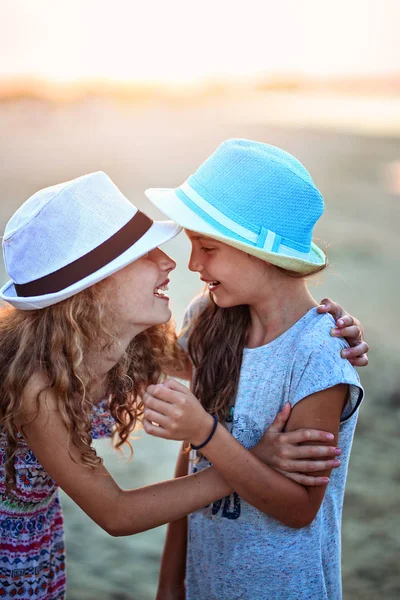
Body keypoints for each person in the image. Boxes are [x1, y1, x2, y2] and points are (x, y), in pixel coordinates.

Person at [0, 171, 367, 599]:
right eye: (143, 255)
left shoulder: (131, 348)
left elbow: (243, 360)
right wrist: (248, 460)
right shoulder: (37, 388)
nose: (171, 262)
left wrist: (338, 331)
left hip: (37, 543)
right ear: (92, 292)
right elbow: (116, 514)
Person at [143, 139, 366, 600]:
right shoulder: (207, 318)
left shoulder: (318, 355)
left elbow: (298, 508)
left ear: (260, 252)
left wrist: (206, 432)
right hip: (205, 583)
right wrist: (170, 585)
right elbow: (191, 470)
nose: (193, 263)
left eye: (207, 247)